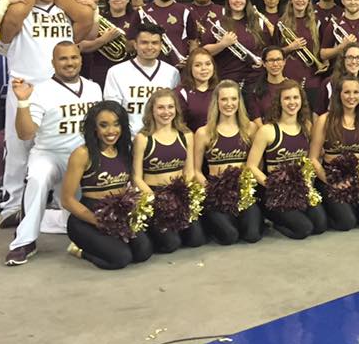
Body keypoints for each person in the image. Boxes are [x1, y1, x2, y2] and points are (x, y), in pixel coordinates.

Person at [0, 0, 86, 228]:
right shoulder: (19, 11)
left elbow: (88, 34)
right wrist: (5, 1)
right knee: (18, 149)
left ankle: (55, 202)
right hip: (24, 85)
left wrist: (89, 8)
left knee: (61, 147)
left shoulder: (64, 12)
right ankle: (12, 205)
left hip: (58, 88)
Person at [4, 42, 102, 265]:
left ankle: (38, 216)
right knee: (38, 179)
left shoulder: (94, 88)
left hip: (81, 157)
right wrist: (22, 102)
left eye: (74, 58)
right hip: (49, 154)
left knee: (77, 220)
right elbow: (25, 133)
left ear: (81, 59)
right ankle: (24, 242)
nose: (70, 63)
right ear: (53, 63)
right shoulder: (40, 90)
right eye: (63, 59)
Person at [61, 101, 154, 269]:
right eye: (104, 125)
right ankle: (80, 250)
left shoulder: (125, 150)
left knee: (143, 252)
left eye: (116, 124)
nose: (111, 131)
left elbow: (134, 184)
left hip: (118, 214)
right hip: (87, 218)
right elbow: (67, 200)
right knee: (121, 258)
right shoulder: (82, 154)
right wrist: (97, 221)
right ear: (94, 128)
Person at [247, 79, 327, 239]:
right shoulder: (267, 130)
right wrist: (272, 184)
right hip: (276, 194)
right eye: (287, 98)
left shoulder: (307, 126)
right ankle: (273, 219)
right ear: (279, 101)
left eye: (295, 98)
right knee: (304, 229)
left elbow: (314, 157)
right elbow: (251, 166)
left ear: (302, 100)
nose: (292, 102)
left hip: (300, 190)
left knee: (320, 226)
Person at [132, 88, 206, 252]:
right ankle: (148, 232)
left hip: (178, 192)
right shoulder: (143, 138)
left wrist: (181, 194)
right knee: (171, 244)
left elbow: (190, 171)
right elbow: (136, 177)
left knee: (196, 240)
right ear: (152, 110)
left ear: (176, 109)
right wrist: (153, 198)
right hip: (154, 195)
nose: (166, 112)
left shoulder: (186, 135)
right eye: (161, 107)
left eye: (170, 107)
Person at [309, 76, 359, 230]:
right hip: (332, 177)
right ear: (338, 95)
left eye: (356, 92)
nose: (351, 97)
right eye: (347, 92)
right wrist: (331, 181)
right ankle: (329, 209)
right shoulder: (325, 120)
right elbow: (313, 158)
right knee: (346, 222)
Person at [193, 80, 262, 244]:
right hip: (216, 195)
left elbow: (257, 164)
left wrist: (249, 187)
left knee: (252, 236)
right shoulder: (204, 132)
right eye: (224, 99)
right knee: (229, 237)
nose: (229, 104)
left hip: (243, 193)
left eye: (233, 99)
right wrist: (212, 190)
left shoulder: (250, 128)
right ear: (216, 102)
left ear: (239, 101)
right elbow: (196, 171)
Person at [103, 22, 181, 135]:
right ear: (135, 44)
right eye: (144, 42)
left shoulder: (172, 73)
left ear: (161, 45)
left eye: (154, 43)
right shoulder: (116, 72)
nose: (150, 47)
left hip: (162, 139)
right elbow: (112, 112)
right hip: (129, 140)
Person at [202, 0, 270, 85]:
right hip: (227, 79)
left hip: (255, 79)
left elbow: (268, 48)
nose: (238, 0)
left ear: (247, 0)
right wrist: (222, 44)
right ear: (228, 0)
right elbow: (204, 52)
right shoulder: (219, 23)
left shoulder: (258, 21)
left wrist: (264, 60)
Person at [79, 0, 139, 87]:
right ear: (108, 0)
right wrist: (103, 40)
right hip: (101, 70)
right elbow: (82, 46)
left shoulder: (136, 18)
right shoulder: (98, 18)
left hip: (128, 71)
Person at [276, 0, 324, 102]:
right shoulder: (281, 23)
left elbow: (324, 47)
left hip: (312, 76)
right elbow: (273, 52)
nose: (300, 0)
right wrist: (290, 47)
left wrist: (326, 62)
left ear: (309, 0)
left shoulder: (317, 22)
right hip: (288, 74)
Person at [140, 0, 195, 68]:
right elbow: (131, 43)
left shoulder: (185, 11)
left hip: (178, 70)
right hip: (147, 69)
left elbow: (193, 41)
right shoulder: (142, 12)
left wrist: (191, 60)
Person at [314, 42, 359, 116]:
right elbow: (317, 114)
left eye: (358, 58)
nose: (354, 61)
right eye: (350, 57)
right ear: (342, 60)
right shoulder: (329, 83)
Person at [175, 47, 219, 132]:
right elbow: (178, 125)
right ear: (190, 68)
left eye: (208, 64)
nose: (204, 68)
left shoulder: (220, 90)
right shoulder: (181, 93)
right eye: (198, 65)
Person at [243, 46, 286, 126]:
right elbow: (257, 123)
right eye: (271, 60)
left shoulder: (292, 87)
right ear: (264, 63)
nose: (275, 64)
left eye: (278, 59)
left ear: (284, 62)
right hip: (267, 135)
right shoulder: (255, 90)